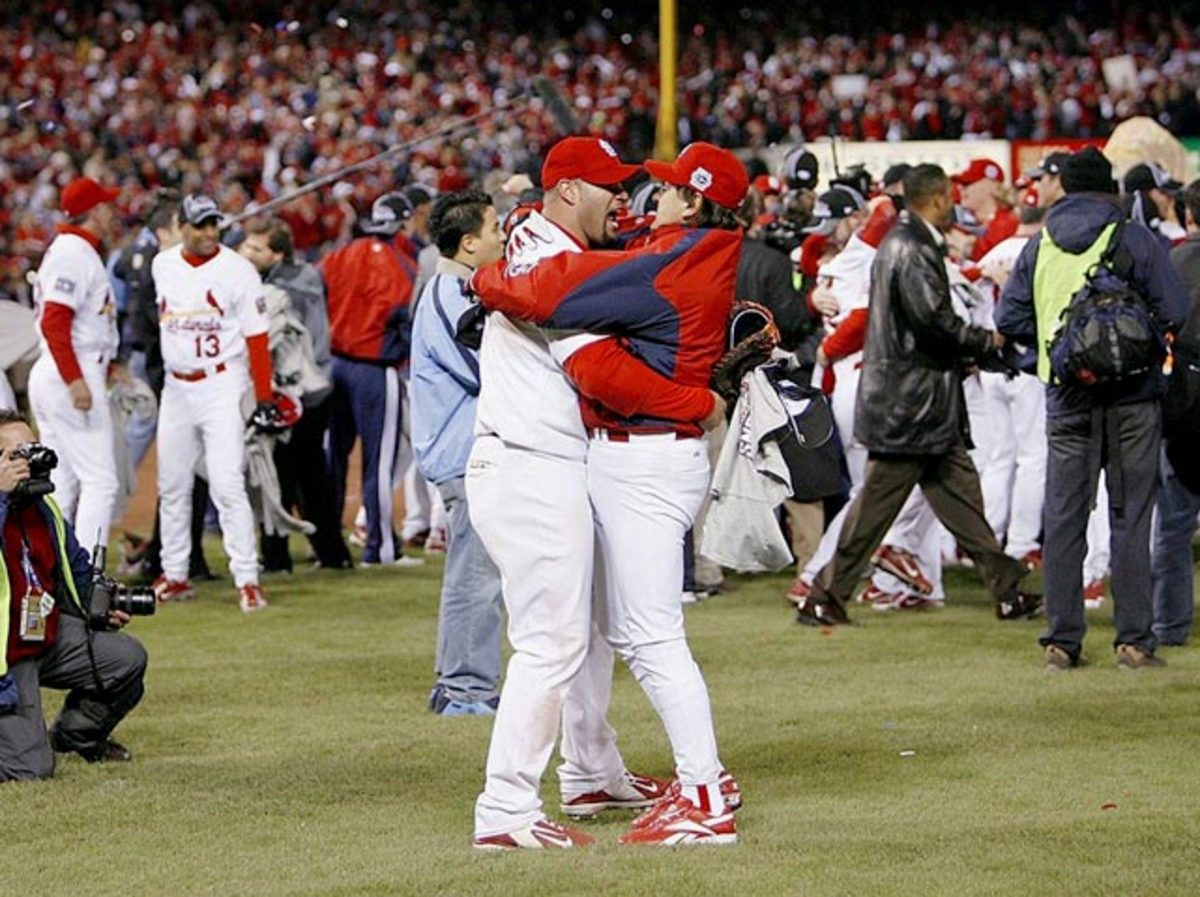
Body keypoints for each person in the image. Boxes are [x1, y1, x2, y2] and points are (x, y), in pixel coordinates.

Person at [474, 141, 747, 846]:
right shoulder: (676, 246)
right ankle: (587, 775)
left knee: (637, 634)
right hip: (564, 460)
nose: (635, 200)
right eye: (617, 187)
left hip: (643, 458)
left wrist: (487, 276)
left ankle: (702, 792)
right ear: (568, 192)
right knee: (585, 634)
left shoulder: (664, 256)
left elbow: (551, 311)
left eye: (658, 189)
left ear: (692, 201)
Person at [795, 164, 1041, 628]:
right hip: (911, 406)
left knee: (964, 507)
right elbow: (933, 321)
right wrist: (989, 342)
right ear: (937, 199)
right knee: (873, 512)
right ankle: (824, 594)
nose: (956, 205)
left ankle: (1008, 591)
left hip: (922, 403)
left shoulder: (907, 240)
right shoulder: (910, 246)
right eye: (950, 197)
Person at [996, 147, 1190, 670]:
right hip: (1133, 399)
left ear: (1065, 188)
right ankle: (1132, 641)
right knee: (1130, 518)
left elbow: (1008, 316)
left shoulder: (1040, 246)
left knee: (1064, 519)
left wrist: (1054, 347)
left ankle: (1061, 641)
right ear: (1110, 189)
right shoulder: (1134, 237)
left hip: (1066, 398)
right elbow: (1175, 310)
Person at [0, 410, 147, 780]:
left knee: (125, 659)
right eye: (16, 453)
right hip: (5, 656)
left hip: (42, 637)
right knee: (28, 769)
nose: (31, 458)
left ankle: (74, 736)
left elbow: (76, 566)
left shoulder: (42, 505)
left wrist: (102, 601)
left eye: (31, 447)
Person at [151, 194, 275, 613]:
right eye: (199, 224)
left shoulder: (238, 270)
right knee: (172, 484)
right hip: (176, 386)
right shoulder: (162, 264)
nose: (208, 233)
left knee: (226, 482)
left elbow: (257, 338)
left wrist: (264, 396)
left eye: (213, 224)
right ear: (181, 225)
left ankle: (247, 579)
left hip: (221, 382)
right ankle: (175, 573)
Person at [410, 189, 505, 717]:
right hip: (463, 454)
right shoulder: (450, 295)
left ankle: (457, 684)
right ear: (469, 243)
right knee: (476, 576)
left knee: (475, 572)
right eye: (494, 229)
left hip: (463, 451)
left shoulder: (453, 289)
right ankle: (465, 690)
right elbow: (485, 374)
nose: (502, 236)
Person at [238, 218, 352, 572]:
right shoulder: (298, 276)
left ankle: (277, 557)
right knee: (310, 476)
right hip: (311, 388)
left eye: (255, 248)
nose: (246, 252)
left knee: (280, 476)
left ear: (277, 253)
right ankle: (332, 554)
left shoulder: (285, 289)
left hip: (298, 390)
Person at [319, 192, 421, 568]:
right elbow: (407, 318)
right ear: (404, 223)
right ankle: (380, 548)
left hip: (335, 366)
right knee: (379, 463)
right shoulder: (404, 266)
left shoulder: (343, 253)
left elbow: (317, 288)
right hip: (376, 370)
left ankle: (327, 547)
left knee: (334, 460)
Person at [27, 177, 124, 552]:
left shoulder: (74, 249)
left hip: (62, 370)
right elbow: (55, 320)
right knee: (101, 481)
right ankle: (85, 579)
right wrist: (75, 379)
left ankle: (51, 569)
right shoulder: (73, 253)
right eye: (106, 205)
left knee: (62, 482)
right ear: (94, 212)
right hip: (69, 370)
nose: (111, 211)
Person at [1150, 179, 1200, 647]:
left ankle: (1169, 625)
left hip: (1184, 401)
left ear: (1188, 217)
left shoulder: (1172, 262)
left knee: (1173, 525)